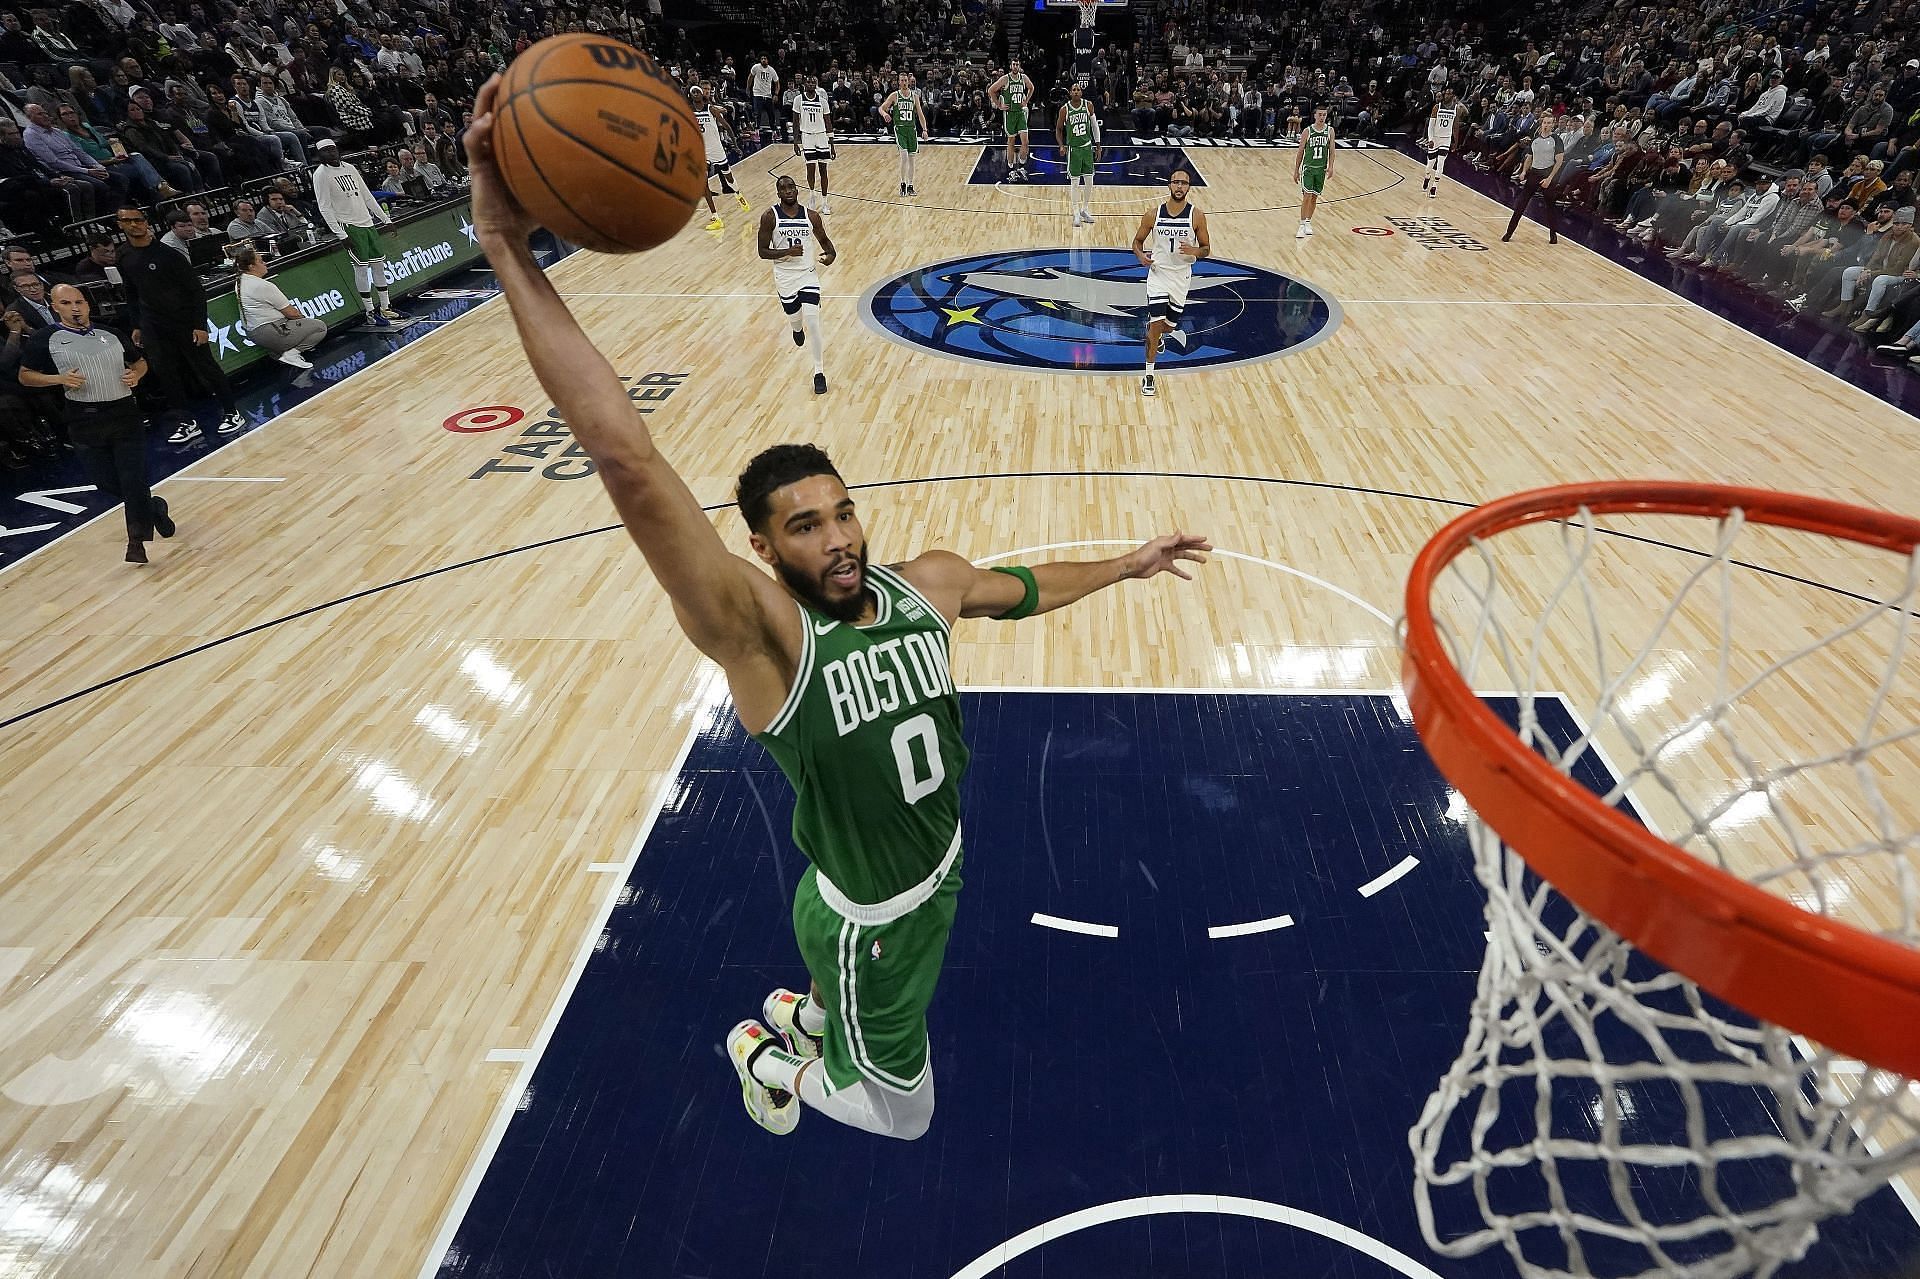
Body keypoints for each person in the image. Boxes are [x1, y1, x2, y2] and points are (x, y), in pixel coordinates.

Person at [464, 77, 1211, 1139]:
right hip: (873, 925)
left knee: (870, 995)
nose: (840, 536)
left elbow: (1031, 589)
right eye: (806, 527)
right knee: (904, 1118)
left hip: (939, 871)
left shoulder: (926, 582)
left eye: (843, 511)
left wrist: (1130, 563)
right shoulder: (765, 637)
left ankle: (804, 1011)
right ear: (763, 552)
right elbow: (626, 457)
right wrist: (504, 243)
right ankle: (772, 1057)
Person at [16, 282, 172, 564]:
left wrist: (136, 375)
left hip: (124, 413)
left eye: (79, 302)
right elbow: (25, 376)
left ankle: (136, 542)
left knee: (132, 479)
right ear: (55, 307)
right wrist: (59, 379)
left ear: (88, 305)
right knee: (106, 483)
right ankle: (154, 507)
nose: (75, 308)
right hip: (83, 419)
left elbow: (139, 362)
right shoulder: (45, 339)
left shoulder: (111, 333)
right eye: (66, 303)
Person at [115, 204, 243, 441]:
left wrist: (199, 325)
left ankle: (232, 412)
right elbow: (131, 291)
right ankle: (186, 422)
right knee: (167, 374)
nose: (134, 224)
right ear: (120, 224)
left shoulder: (168, 255)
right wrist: (136, 324)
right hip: (152, 324)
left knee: (206, 367)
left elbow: (195, 291)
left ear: (146, 222)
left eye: (138, 220)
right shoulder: (123, 255)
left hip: (183, 321)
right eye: (127, 221)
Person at [310, 138, 406, 327]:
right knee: (361, 268)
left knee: (379, 265)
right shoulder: (321, 174)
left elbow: (367, 196)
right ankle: (370, 312)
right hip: (349, 225)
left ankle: (386, 307)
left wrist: (385, 220)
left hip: (367, 223)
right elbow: (325, 207)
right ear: (320, 155)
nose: (331, 153)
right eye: (326, 151)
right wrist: (341, 234)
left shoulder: (350, 168)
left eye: (333, 149)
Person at [1132, 169, 1208, 398]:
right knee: (1156, 325)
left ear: (1189, 187)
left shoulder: (1197, 215)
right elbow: (1136, 241)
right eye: (1176, 182)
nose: (1179, 186)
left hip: (1181, 276)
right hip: (1158, 274)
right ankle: (1149, 374)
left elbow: (1206, 249)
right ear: (1169, 185)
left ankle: (1158, 334)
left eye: (1183, 183)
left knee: (1169, 327)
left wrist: (1195, 251)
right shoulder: (1153, 214)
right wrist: (1141, 256)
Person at [759, 173, 836, 395]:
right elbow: (762, 251)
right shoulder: (769, 217)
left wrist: (831, 255)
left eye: (791, 187)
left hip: (807, 274)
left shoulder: (811, 216)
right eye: (783, 188)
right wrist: (787, 252)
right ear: (778, 193)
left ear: (796, 189)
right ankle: (795, 327)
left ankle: (819, 372)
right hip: (784, 276)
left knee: (813, 320)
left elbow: (827, 244)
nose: (788, 191)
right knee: (795, 317)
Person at [233, 245, 323, 369]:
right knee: (319, 327)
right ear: (251, 267)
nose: (265, 263)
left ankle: (282, 354)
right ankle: (291, 354)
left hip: (254, 333)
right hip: (271, 331)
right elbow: (292, 313)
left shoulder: (240, 281)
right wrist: (304, 322)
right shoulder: (261, 285)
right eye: (260, 261)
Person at [1502, 114, 1567, 244]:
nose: (1546, 125)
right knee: (1521, 204)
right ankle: (1508, 233)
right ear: (1541, 124)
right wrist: (1524, 171)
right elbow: (1529, 157)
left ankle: (1553, 235)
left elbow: (1559, 161)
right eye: (1545, 123)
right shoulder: (1535, 139)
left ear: (1553, 125)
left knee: (1550, 206)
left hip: (1548, 173)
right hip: (1534, 173)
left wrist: (1549, 178)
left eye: (1549, 123)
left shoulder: (1556, 139)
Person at [690, 85, 748, 231]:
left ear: (701, 94)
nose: (696, 94)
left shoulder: (710, 109)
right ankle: (716, 216)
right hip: (702, 151)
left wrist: (735, 145)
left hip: (716, 149)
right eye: (693, 92)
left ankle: (738, 193)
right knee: (703, 184)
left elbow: (726, 126)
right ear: (691, 95)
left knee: (729, 178)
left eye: (698, 91)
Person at [1056, 81, 1099, 226]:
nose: (1075, 91)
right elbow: (1058, 130)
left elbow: (1094, 126)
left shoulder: (1088, 105)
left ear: (1081, 92)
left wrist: (1098, 145)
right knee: (1075, 182)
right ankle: (1075, 213)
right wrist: (1061, 145)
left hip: (1087, 148)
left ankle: (1084, 209)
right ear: (1070, 93)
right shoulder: (1064, 109)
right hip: (1073, 149)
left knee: (1089, 181)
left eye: (1078, 89)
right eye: (1073, 89)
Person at [880, 71, 927, 198]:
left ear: (908, 81)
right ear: (898, 82)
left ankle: (910, 186)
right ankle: (902, 184)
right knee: (904, 157)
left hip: (911, 130)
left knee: (912, 159)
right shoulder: (894, 95)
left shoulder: (914, 96)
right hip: (900, 129)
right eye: (902, 80)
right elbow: (881, 108)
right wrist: (885, 114)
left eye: (906, 80)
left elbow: (920, 114)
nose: (904, 83)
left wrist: (924, 129)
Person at [792, 75, 834, 214]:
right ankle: (811, 196)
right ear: (804, 84)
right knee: (810, 170)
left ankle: (825, 202)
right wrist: (795, 141)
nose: (811, 84)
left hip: (821, 136)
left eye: (813, 82)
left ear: (816, 84)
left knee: (823, 171)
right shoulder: (798, 100)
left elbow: (828, 122)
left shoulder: (823, 101)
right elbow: (796, 122)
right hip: (807, 137)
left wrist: (832, 143)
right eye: (808, 81)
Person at [988, 59, 1035, 181]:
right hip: (1009, 114)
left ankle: (1022, 167)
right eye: (1014, 64)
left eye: (1017, 64)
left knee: (1025, 142)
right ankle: (1010, 170)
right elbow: (991, 90)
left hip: (1020, 113)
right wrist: (999, 105)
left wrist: (1026, 101)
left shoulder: (1023, 77)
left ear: (1019, 66)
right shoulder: (1005, 79)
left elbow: (1031, 88)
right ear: (1011, 66)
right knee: (1011, 142)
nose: (1016, 66)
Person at [1294, 104, 1334, 238]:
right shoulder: (1307, 131)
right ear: (1315, 115)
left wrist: (1331, 166)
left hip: (1321, 169)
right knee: (1307, 196)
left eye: (1324, 115)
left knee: (1315, 197)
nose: (1322, 117)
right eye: (1320, 114)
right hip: (1308, 169)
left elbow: (1332, 151)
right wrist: (1296, 170)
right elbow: (1300, 152)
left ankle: (1308, 222)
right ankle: (1301, 224)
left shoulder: (1330, 131)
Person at [1425, 88, 1461, 198]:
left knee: (1441, 162)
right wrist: (1430, 139)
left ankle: (1434, 187)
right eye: (1445, 94)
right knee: (1430, 164)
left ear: (1453, 96)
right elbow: (1431, 125)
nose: (1446, 96)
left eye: (1449, 94)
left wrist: (1456, 142)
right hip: (1435, 138)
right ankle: (1427, 177)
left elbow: (1455, 126)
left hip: (1446, 139)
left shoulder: (1456, 109)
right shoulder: (1437, 107)